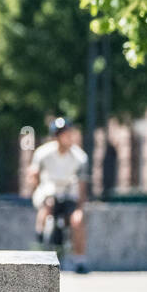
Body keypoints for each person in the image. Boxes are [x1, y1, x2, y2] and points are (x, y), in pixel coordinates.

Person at [28, 117, 89, 274]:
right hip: (49, 191)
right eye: (63, 134)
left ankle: (80, 260)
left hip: (68, 193)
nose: (67, 137)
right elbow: (33, 174)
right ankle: (40, 241)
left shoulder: (79, 157)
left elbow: (82, 185)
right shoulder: (43, 153)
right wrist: (37, 189)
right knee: (47, 207)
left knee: (78, 220)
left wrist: (80, 208)